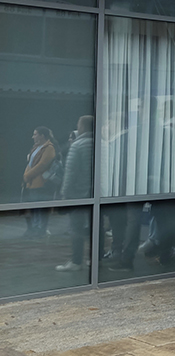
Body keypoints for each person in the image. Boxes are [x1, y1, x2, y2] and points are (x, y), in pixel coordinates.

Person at [55, 116, 95, 272]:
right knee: (96, 228)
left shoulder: (78, 145)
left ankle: (76, 261)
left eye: (78, 125)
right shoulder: (102, 143)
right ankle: (95, 259)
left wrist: (64, 194)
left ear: (82, 127)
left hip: (78, 194)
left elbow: (70, 173)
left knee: (76, 228)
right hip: (96, 194)